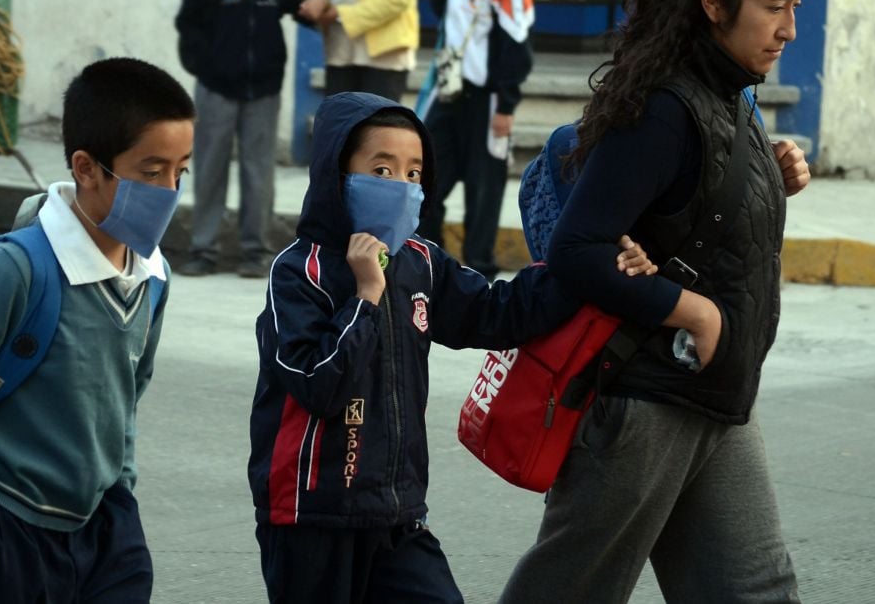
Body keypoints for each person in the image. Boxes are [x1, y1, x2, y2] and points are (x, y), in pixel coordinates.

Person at [499, 0, 812, 603]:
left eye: (796, 5)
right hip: (645, 406)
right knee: (572, 590)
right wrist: (695, 313)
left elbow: (693, 221)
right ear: (713, 1)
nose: (789, 29)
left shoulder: (733, 95)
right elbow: (580, 247)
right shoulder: (666, 107)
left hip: (718, 399)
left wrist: (774, 178)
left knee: (757, 591)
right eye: (775, 7)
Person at [246, 92, 656, 603]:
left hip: (397, 514)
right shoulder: (298, 271)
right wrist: (365, 295)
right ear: (336, 173)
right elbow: (317, 384)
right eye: (382, 169)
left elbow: (499, 312)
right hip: (312, 516)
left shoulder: (421, 261)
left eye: (415, 173)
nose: (402, 186)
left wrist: (590, 266)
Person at [0, 58, 195, 603]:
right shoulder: (14, 270)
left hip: (106, 531)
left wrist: (121, 490)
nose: (171, 190)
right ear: (86, 168)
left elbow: (129, 394)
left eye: (182, 170)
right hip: (7, 523)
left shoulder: (154, 275)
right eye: (151, 173)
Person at [175, 0, 308, 278]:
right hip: (217, 90)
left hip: (263, 91)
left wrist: (317, 7)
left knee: (258, 172)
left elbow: (298, 7)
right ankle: (204, 249)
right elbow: (188, 23)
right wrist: (205, 67)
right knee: (210, 169)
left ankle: (256, 251)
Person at [417, 0, 535, 280]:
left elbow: (516, 44)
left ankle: (477, 276)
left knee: (483, 196)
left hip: (487, 100)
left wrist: (506, 105)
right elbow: (456, 27)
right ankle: (430, 264)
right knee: (424, 184)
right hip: (448, 94)